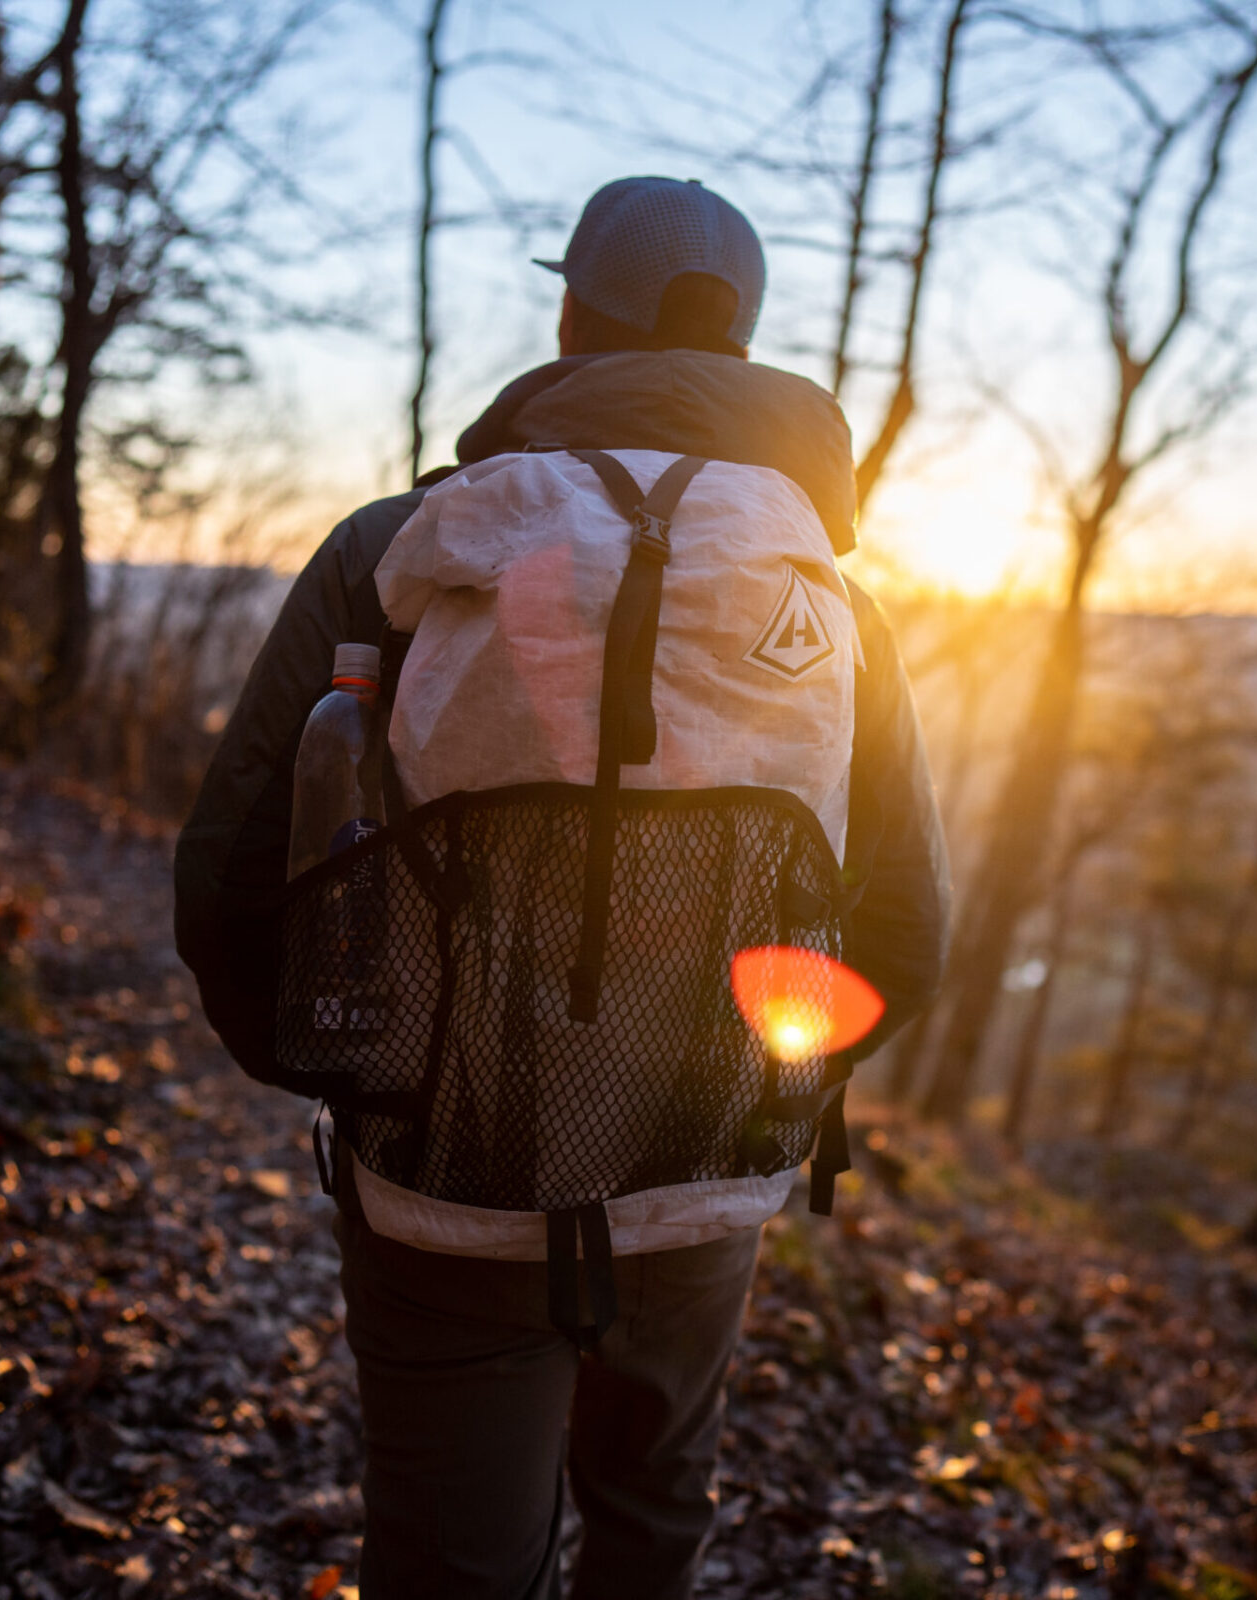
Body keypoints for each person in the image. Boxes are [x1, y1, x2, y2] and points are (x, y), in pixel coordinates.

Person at [173, 176, 950, 1599]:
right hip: (706, 1179)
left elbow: (226, 881)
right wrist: (771, 1087)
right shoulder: (838, 608)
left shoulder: (399, 548)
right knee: (653, 1515)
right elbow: (908, 926)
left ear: (575, 315)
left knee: (453, 1563)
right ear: (741, 345)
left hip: (440, 1182)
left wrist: (350, 1076)